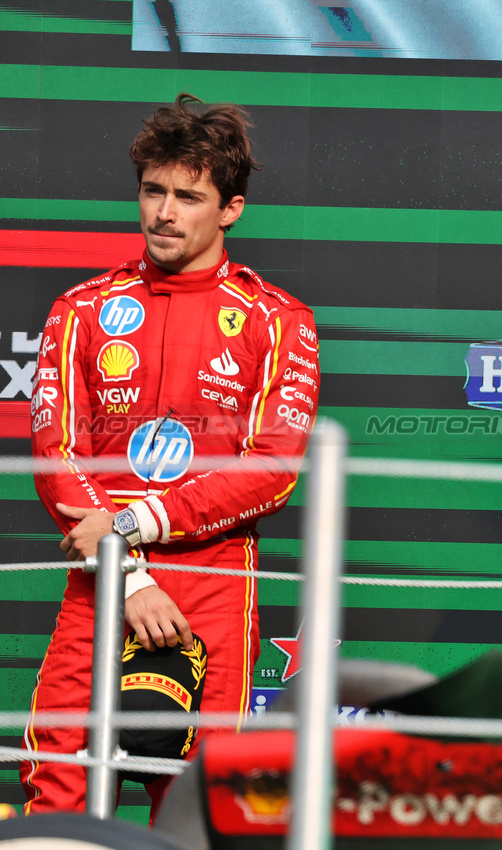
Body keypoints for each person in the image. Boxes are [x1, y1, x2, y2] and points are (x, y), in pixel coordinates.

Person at [23, 94, 320, 816]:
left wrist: (134, 531)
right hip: (101, 583)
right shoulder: (82, 308)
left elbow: (273, 471)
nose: (164, 212)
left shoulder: (277, 320)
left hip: (214, 583)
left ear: (230, 210)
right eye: (153, 191)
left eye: (188, 196)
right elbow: (55, 450)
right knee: (58, 793)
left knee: (195, 807)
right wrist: (127, 576)